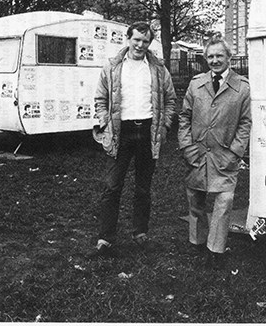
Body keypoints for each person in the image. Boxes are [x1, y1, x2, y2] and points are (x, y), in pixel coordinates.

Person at [88, 22, 176, 258]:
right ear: (127, 39)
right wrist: (105, 123)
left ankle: (140, 234)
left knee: (143, 188)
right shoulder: (113, 66)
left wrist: (165, 125)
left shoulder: (158, 68)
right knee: (112, 186)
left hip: (148, 131)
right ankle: (106, 238)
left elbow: (170, 100)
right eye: (136, 39)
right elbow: (100, 98)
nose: (140, 45)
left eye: (145, 41)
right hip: (121, 132)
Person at [178, 33, 251, 270]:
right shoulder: (196, 84)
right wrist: (188, 148)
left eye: (219, 55)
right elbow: (184, 118)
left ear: (229, 57)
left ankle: (215, 250)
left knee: (224, 201)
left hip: (225, 155)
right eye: (210, 56)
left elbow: (245, 123)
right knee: (195, 202)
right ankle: (198, 243)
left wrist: (235, 153)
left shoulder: (242, 87)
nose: (215, 60)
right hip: (197, 154)